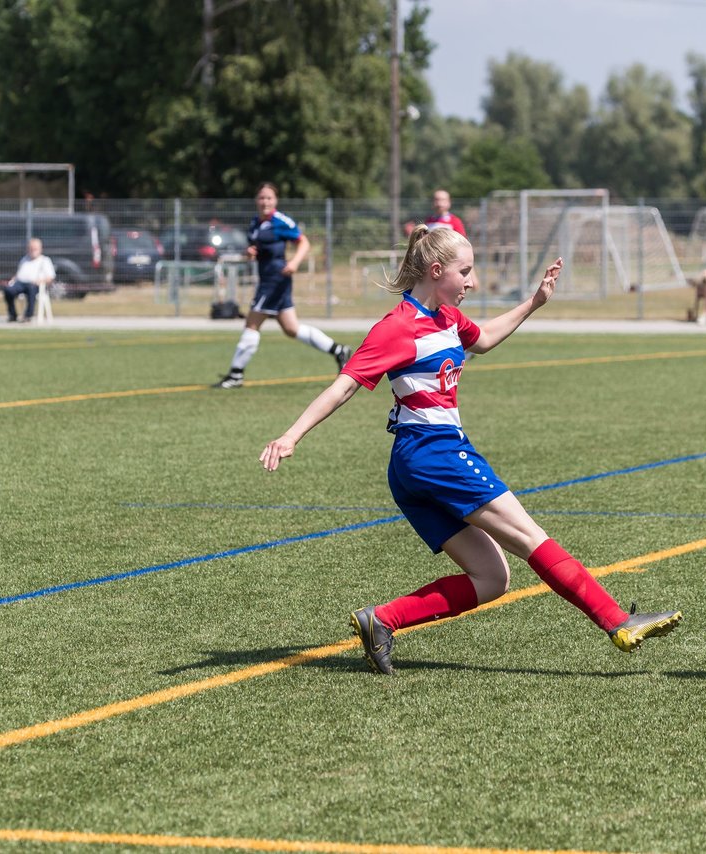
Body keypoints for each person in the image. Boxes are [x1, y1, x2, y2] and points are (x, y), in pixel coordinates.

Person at [259, 226, 681, 676]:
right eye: (466, 271)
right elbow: (344, 386)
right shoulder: (397, 327)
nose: (472, 282)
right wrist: (292, 435)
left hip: (413, 464)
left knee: (492, 578)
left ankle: (381, 620)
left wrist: (534, 303)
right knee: (530, 537)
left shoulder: (448, 319)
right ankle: (617, 621)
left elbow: (482, 339)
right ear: (436, 271)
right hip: (434, 454)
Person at [214, 183, 352, 388]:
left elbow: (303, 242)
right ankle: (339, 350)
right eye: (261, 198)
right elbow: (257, 249)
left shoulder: (281, 221)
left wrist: (295, 262)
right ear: (256, 200)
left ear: (275, 201)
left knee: (252, 323)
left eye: (269, 198)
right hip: (268, 278)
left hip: (275, 280)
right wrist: (249, 253)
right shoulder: (255, 222)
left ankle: (236, 375)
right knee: (291, 328)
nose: (265, 202)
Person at [4, 238, 55, 322]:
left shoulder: (45, 261)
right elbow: (19, 274)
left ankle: (28, 315)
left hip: (35, 286)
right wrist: (13, 279)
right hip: (20, 284)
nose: (32, 251)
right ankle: (12, 314)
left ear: (40, 249)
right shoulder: (24, 259)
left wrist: (41, 281)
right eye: (31, 248)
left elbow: (50, 278)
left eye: (35, 249)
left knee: (31, 288)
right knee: (8, 290)